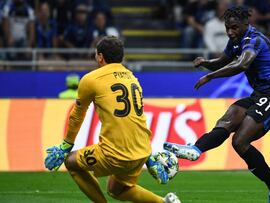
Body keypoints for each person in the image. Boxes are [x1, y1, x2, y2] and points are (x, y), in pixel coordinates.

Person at [164, 6, 270, 203]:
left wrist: (210, 76)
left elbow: (242, 64)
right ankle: (196, 149)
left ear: (245, 24)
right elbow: (223, 61)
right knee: (231, 116)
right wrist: (206, 62)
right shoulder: (236, 41)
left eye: (234, 27)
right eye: (227, 28)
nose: (230, 32)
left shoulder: (254, 39)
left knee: (240, 141)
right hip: (259, 94)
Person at [45, 36, 180, 203]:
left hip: (115, 153)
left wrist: (66, 145)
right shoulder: (132, 78)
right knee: (117, 189)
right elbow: (136, 119)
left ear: (100, 56)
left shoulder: (91, 79)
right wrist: (148, 155)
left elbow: (77, 114)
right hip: (142, 151)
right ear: (121, 57)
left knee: (71, 162)